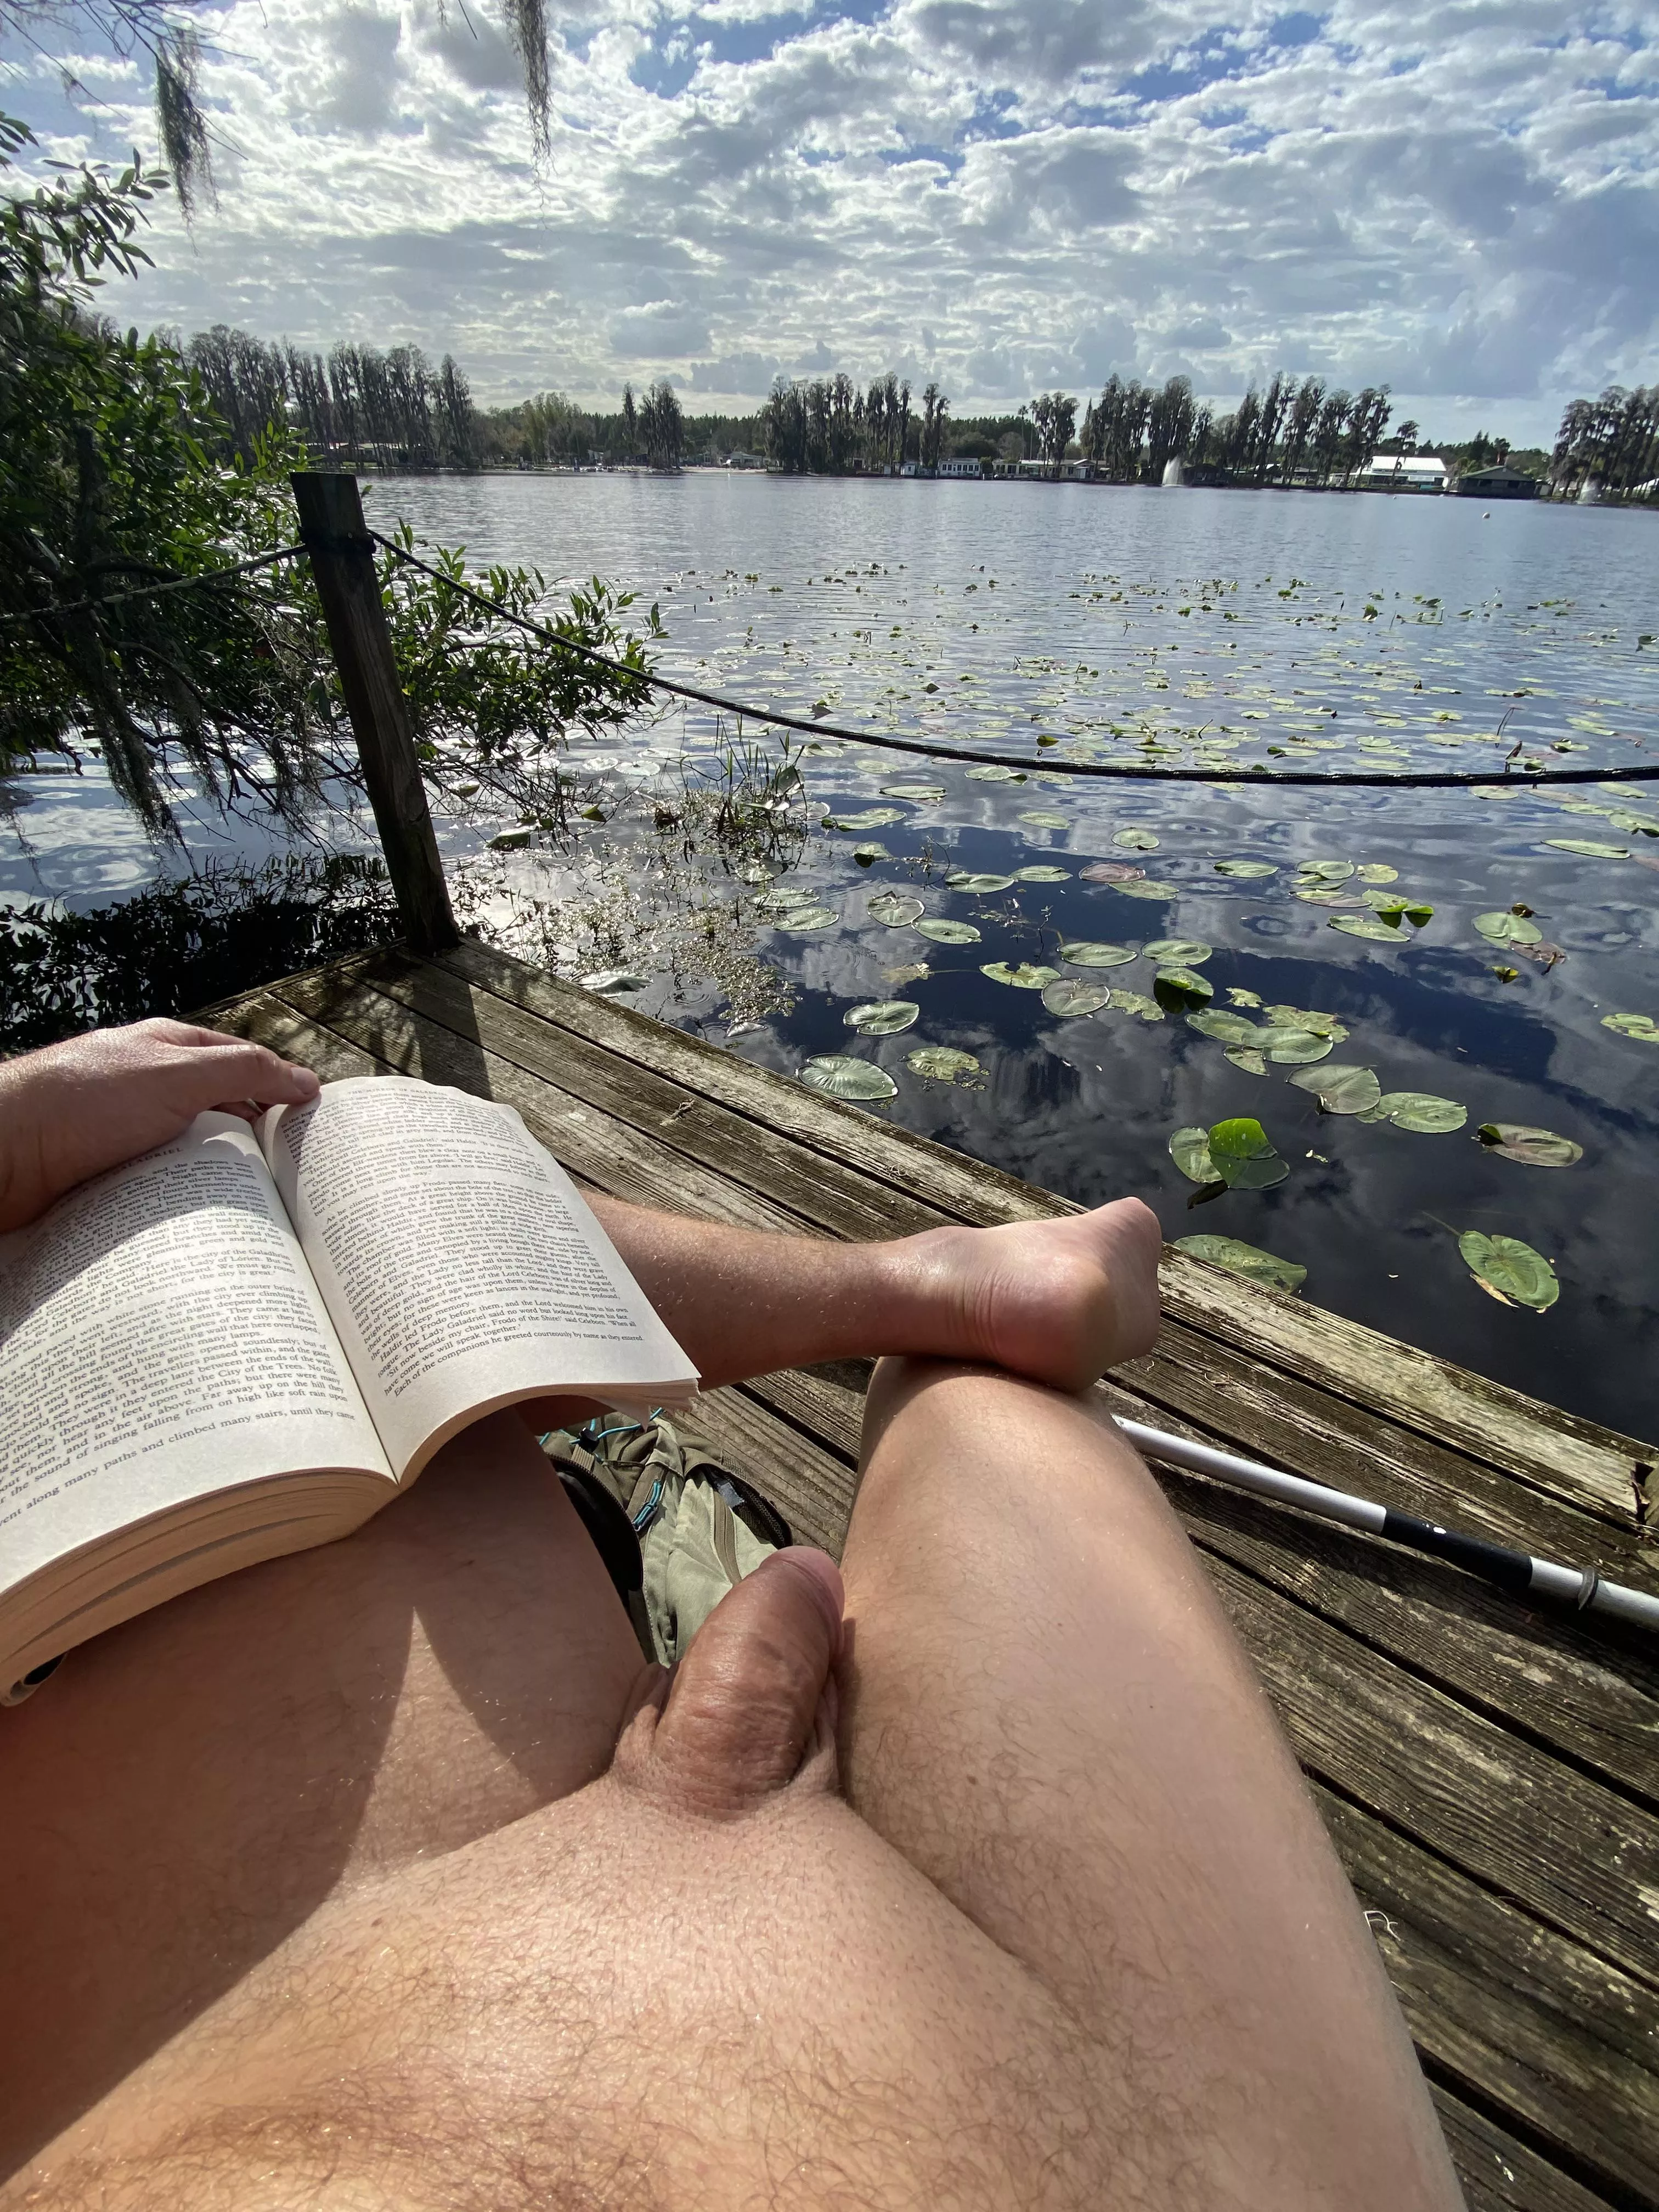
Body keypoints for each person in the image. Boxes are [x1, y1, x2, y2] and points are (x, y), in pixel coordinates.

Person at [0, 1020, 1464, 2210]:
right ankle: (930, 1296)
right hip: (1114, 2135)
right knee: (982, 1410)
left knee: (241, 1210)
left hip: (244, 1991)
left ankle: (930, 1290)